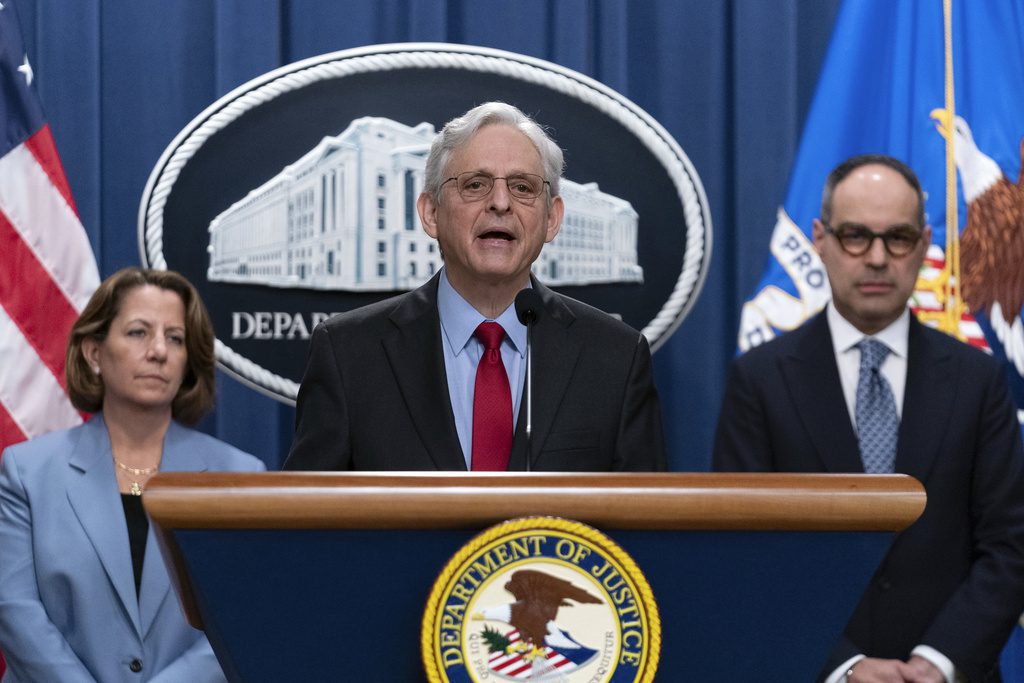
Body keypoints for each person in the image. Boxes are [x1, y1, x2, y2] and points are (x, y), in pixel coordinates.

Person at [713, 155, 1024, 683]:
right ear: (820, 239)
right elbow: (744, 552)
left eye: (897, 238)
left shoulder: (978, 380)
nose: (877, 258)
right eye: (856, 236)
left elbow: (1010, 545)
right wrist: (843, 665)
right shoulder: (760, 381)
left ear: (925, 244)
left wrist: (938, 663)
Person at [285, 101, 666, 472]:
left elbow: (646, 514)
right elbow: (306, 512)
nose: (500, 203)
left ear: (552, 219)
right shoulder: (348, 354)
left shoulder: (616, 358)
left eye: (522, 187)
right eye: (475, 184)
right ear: (431, 213)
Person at [0, 268, 265, 682]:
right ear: (94, 353)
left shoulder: (239, 476)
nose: (159, 351)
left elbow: (244, 616)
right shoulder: (27, 472)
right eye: (139, 332)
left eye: (175, 338)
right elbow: (15, 609)